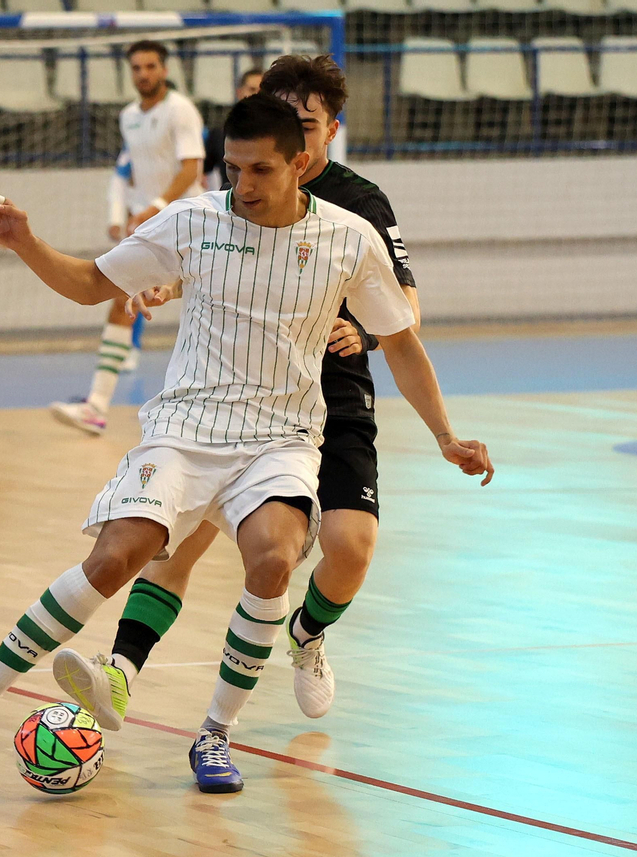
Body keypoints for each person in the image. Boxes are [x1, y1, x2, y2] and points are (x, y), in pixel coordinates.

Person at [0, 94, 492, 795]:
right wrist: (24, 241)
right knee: (117, 555)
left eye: (261, 169)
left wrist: (447, 436)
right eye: (232, 167)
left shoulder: (348, 235)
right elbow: (92, 284)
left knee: (273, 561)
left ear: (299, 164)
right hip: (185, 430)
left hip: (279, 438)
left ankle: (214, 735)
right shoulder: (191, 221)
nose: (243, 183)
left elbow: (400, 342)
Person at [53, 54, 428, 733]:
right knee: (180, 536)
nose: (292, 136)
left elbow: (405, 310)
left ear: (329, 130)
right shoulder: (239, 188)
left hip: (326, 396)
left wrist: (366, 335)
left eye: (306, 124)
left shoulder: (361, 205)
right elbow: (199, 255)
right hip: (230, 398)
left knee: (349, 546)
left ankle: (308, 637)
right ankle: (121, 672)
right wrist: (164, 284)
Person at [50, 40, 205, 437]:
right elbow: (128, 173)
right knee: (120, 297)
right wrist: (120, 217)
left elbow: (192, 168)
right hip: (154, 228)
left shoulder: (180, 109)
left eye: (151, 66)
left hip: (188, 224)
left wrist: (154, 206)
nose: (144, 74)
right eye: (136, 67)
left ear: (164, 70)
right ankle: (96, 405)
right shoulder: (128, 117)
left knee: (205, 309)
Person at [202, 67, 262, 191]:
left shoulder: (282, 133)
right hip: (231, 201)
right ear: (239, 92)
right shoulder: (220, 132)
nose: (257, 94)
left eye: (263, 90)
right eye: (252, 89)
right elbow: (203, 169)